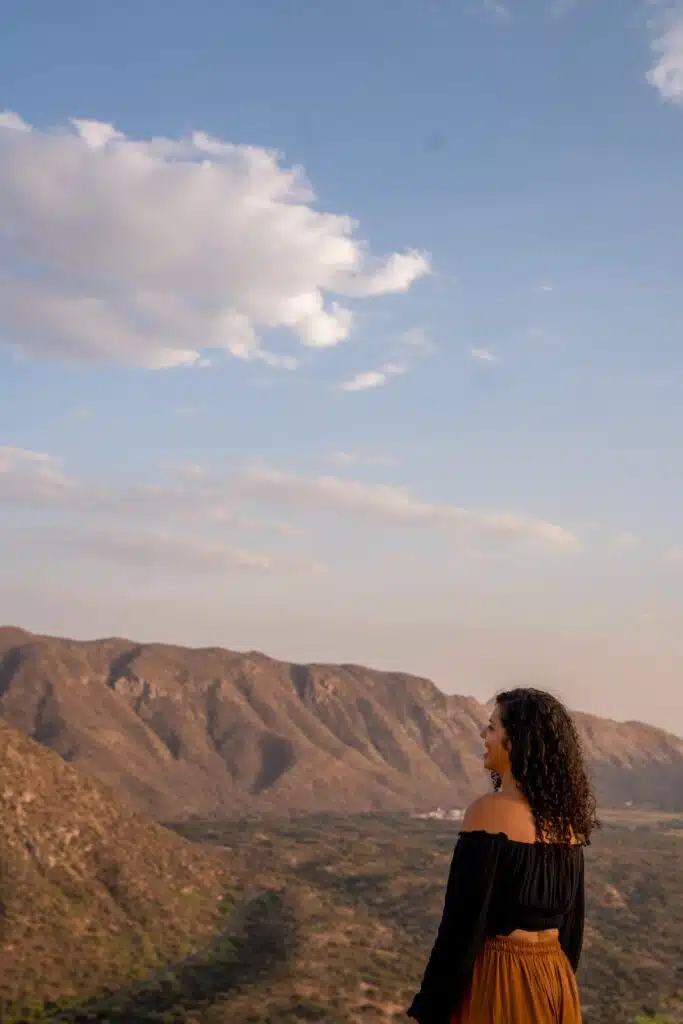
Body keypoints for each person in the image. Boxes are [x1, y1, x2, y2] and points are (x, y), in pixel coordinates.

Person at [407, 687, 599, 1024]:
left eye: (493, 727)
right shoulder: (568, 825)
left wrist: (430, 1007)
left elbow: (461, 925)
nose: (484, 735)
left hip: (503, 978)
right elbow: (572, 926)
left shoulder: (489, 813)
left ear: (517, 741)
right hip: (556, 978)